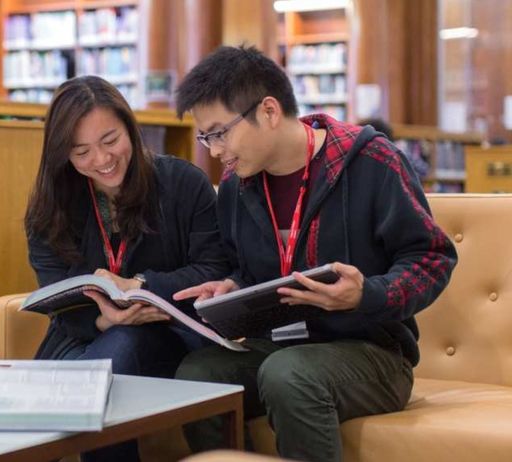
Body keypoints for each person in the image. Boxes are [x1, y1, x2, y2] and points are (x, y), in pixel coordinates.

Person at [172, 45, 458, 462]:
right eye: (206, 137)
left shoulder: (372, 161)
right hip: (279, 347)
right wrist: (232, 287)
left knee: (289, 374)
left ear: (268, 111)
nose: (214, 151)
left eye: (219, 133)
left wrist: (367, 295)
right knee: (197, 376)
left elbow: (431, 258)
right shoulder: (237, 185)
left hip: (372, 352)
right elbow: (246, 267)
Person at [24, 75, 229, 461]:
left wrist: (140, 284)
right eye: (81, 151)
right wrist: (104, 320)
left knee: (114, 358)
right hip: (84, 338)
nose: (101, 160)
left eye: (110, 141)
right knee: (103, 356)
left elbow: (213, 268)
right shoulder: (51, 210)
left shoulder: (183, 183)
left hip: (174, 334)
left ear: (131, 129)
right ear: (62, 154)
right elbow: (57, 302)